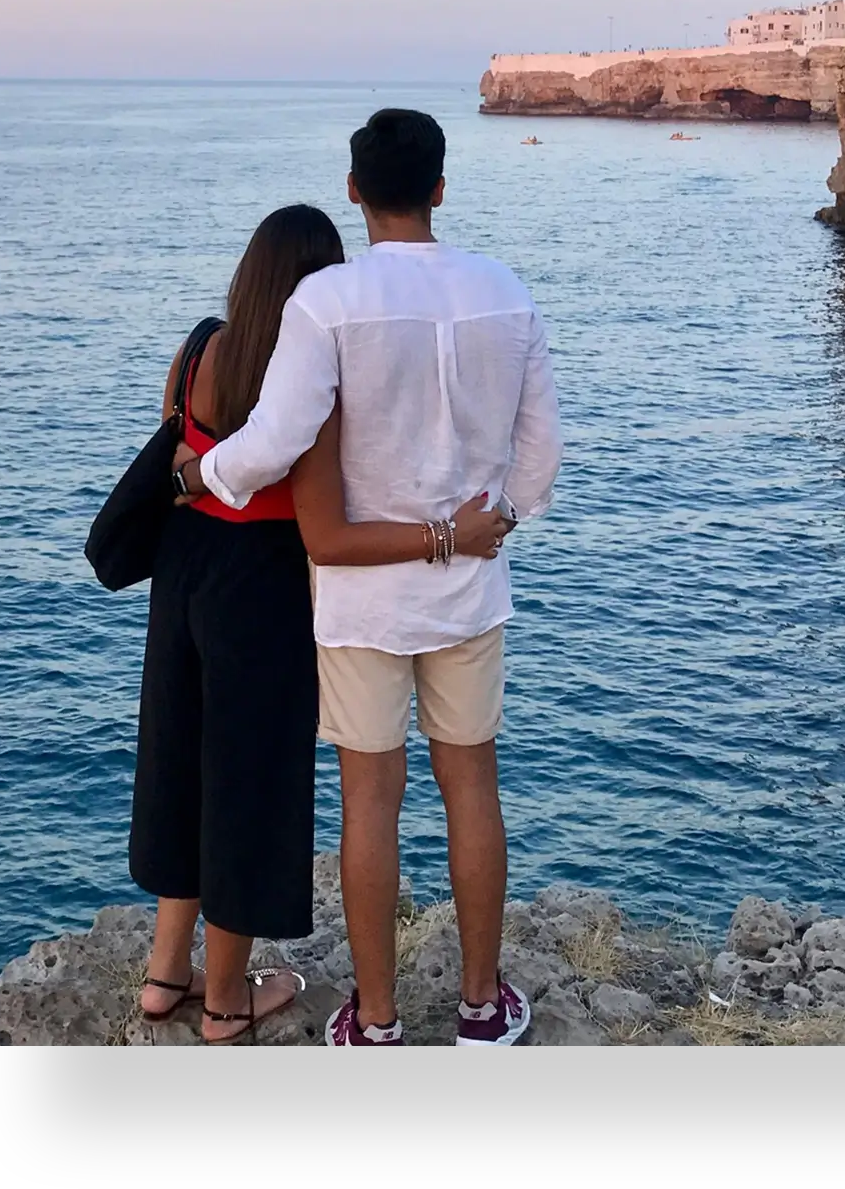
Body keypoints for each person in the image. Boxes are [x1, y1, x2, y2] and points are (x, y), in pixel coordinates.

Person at [172, 110, 563, 1048]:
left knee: (368, 804)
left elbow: (274, 439)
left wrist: (200, 475)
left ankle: (376, 1018)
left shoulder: (326, 303)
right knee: (474, 788)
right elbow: (541, 461)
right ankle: (479, 1005)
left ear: (353, 190)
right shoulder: (506, 294)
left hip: (359, 603)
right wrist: (485, 527)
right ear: (439, 186)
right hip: (468, 593)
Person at [133, 205, 506, 1043]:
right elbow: (317, 517)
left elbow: (173, 451)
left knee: (182, 768)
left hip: (182, 574)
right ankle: (226, 1000)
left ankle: (165, 974)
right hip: (259, 590)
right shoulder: (308, 373)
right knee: (246, 788)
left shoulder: (199, 347)